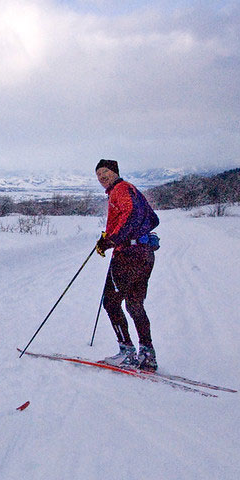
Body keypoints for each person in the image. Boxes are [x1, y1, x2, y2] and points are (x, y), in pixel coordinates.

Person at [94, 159, 160, 371]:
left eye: (105, 172)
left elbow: (130, 215)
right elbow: (152, 218)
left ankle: (127, 352)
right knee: (134, 304)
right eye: (98, 175)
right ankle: (147, 354)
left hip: (128, 257)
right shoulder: (130, 189)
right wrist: (112, 237)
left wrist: (112, 240)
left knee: (111, 303)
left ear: (115, 172)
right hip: (144, 254)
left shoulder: (120, 190)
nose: (102, 177)